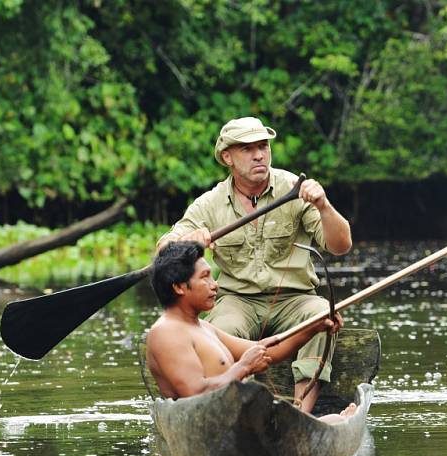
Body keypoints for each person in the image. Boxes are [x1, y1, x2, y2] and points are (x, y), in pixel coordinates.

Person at [157, 116, 352, 413]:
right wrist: (189, 240)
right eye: (248, 149)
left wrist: (324, 205)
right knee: (217, 328)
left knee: (321, 315)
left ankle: (300, 413)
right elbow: (163, 250)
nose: (259, 155)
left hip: (296, 299)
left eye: (263, 146)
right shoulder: (209, 204)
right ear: (227, 157)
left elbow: (341, 246)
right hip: (237, 301)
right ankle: (226, 412)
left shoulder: (294, 188)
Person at [146, 241, 356, 423]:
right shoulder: (166, 332)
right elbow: (195, 393)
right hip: (212, 431)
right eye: (205, 277)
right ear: (179, 287)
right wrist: (244, 367)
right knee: (336, 422)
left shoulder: (203, 328)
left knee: (336, 420)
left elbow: (266, 352)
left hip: (239, 425)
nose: (215, 285)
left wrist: (313, 328)